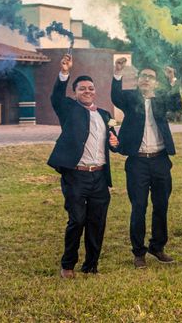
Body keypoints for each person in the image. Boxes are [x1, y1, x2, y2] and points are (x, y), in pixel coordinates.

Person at [46, 54, 119, 278]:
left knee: (97, 223)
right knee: (77, 220)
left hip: (99, 177)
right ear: (75, 92)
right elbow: (57, 95)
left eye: (90, 88)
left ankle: (91, 265)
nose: (87, 91)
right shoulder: (68, 108)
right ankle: (68, 265)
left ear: (95, 91)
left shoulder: (105, 114)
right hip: (76, 176)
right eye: (82, 89)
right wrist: (65, 72)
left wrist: (115, 142)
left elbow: (113, 141)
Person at [111, 57, 181, 268]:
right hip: (137, 163)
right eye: (143, 76)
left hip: (160, 160)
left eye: (151, 77)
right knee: (138, 207)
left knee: (161, 205)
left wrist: (172, 81)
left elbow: (177, 105)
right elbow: (115, 96)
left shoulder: (161, 99)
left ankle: (157, 247)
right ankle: (138, 252)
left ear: (156, 83)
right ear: (138, 79)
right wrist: (117, 72)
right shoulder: (131, 99)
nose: (146, 79)